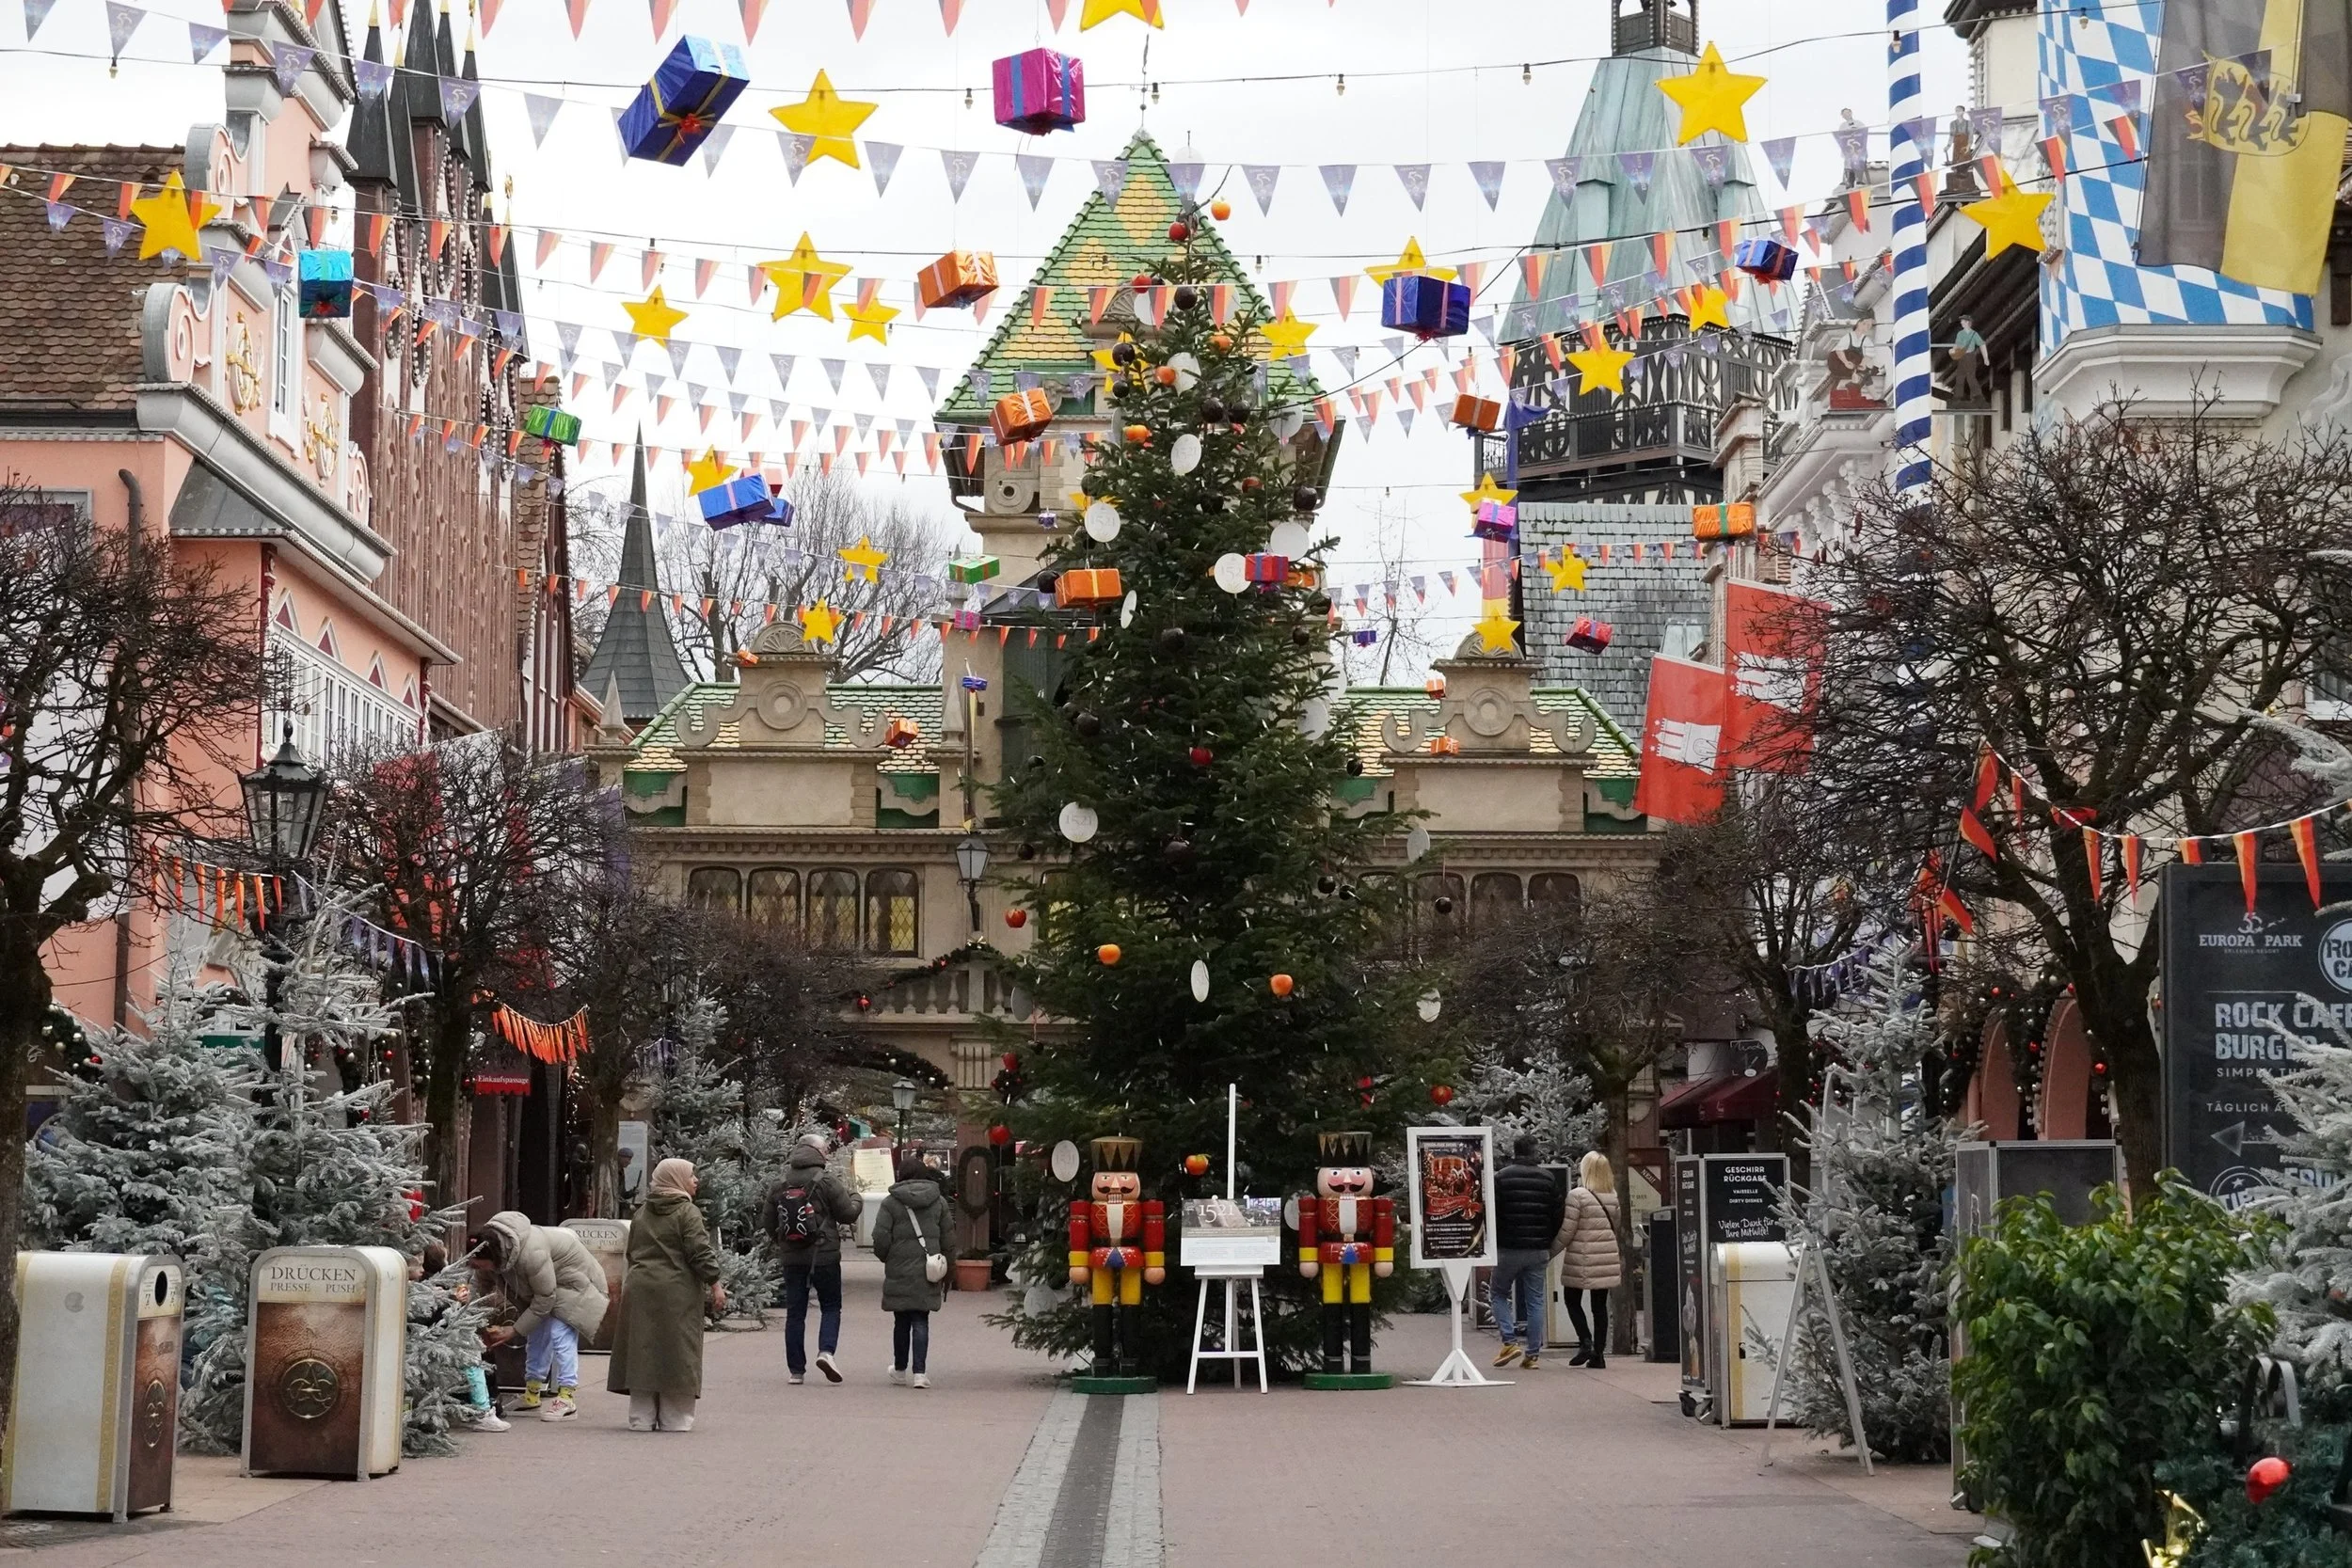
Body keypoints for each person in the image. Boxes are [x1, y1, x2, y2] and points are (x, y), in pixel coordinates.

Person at [609, 1157, 724, 1432]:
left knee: (641, 1350)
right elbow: (698, 1251)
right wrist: (715, 1283)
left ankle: (641, 1418)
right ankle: (676, 1419)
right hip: (677, 1291)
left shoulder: (641, 1213)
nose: (696, 1180)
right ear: (676, 1180)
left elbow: (631, 1252)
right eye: (690, 1176)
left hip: (640, 1288)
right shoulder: (687, 1212)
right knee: (677, 1352)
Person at [473, 1210, 610, 1421]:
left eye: (481, 1265)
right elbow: (481, 1285)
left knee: (559, 1333)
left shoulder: (531, 1253)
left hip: (574, 1284)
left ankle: (567, 1397)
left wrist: (515, 1330)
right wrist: (471, 1316)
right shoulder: (490, 1253)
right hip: (547, 1289)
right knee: (536, 1334)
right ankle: (532, 1393)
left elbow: (546, 1298)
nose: (479, 1268)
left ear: (494, 1256)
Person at [764, 1132, 860, 1386]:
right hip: (824, 1255)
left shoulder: (781, 1183)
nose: (827, 1152)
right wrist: (856, 1199)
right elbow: (848, 1214)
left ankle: (796, 1371)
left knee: (795, 1313)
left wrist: (784, 1244)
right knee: (830, 1306)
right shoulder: (826, 1181)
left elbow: (768, 1222)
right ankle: (826, 1352)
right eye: (825, 1149)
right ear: (817, 1152)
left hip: (792, 1258)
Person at [871, 1153, 952, 1388]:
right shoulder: (939, 1202)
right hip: (929, 1269)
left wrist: (887, 1257)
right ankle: (920, 1373)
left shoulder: (890, 1202)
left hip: (899, 1267)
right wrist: (949, 1266)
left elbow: (880, 1236)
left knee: (901, 1320)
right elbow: (949, 1238)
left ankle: (899, 1369)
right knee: (921, 1319)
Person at [1489, 1134, 1565, 1370]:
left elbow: (1493, 1212)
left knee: (1498, 1293)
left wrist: (1498, 1238)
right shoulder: (1548, 1178)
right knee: (1536, 1301)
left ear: (1515, 1151)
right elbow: (1558, 1214)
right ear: (1535, 1152)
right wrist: (1546, 1239)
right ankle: (1532, 1355)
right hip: (1538, 1250)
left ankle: (1510, 1342)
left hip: (1508, 1248)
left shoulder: (1501, 1178)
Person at [1556, 1151, 1624, 1370]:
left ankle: (1585, 1340)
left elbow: (1567, 1231)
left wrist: (1549, 1253)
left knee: (1572, 1299)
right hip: (1606, 1256)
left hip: (1582, 1257)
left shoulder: (1577, 1196)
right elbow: (1617, 1224)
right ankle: (1599, 1354)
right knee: (1599, 1306)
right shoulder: (1613, 1196)